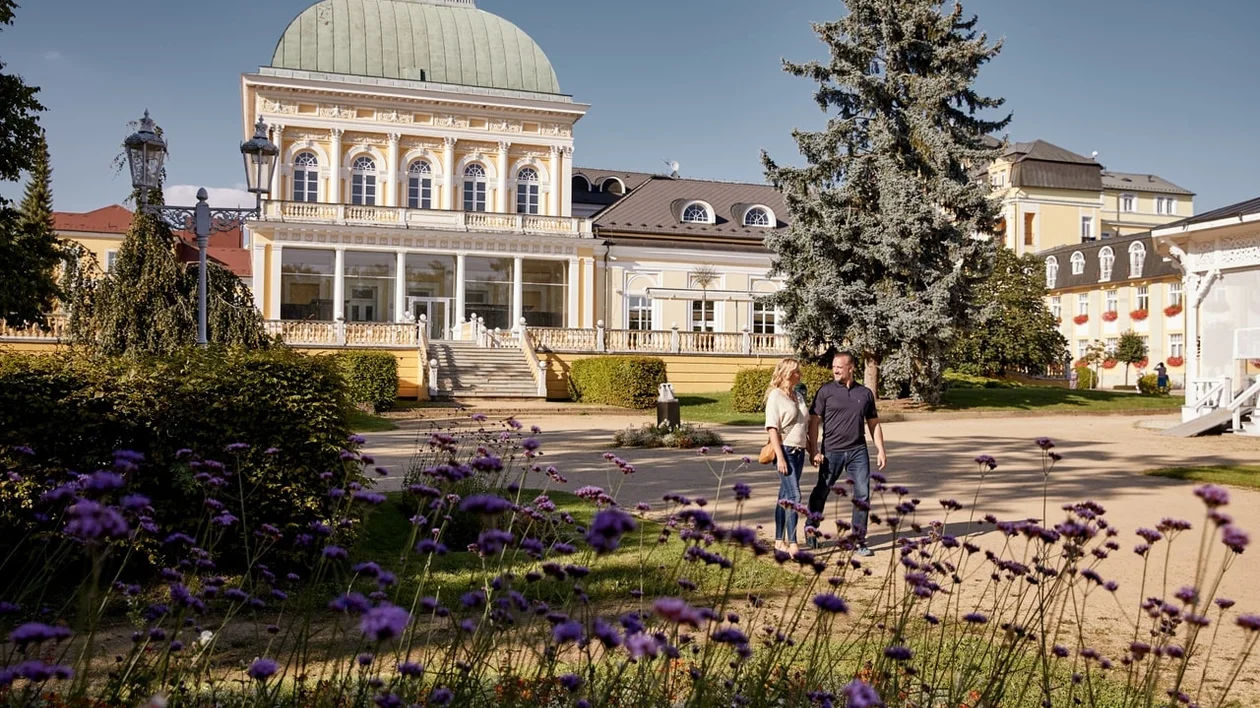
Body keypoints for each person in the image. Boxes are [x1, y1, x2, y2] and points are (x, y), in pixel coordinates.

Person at [806, 351, 887, 556]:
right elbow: (814, 421)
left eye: (839, 367)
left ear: (850, 368)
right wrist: (814, 449)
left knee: (862, 493)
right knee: (822, 490)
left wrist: (880, 449)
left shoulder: (865, 394)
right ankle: (811, 528)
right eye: (833, 366)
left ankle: (859, 540)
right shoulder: (826, 391)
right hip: (831, 451)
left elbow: (873, 423)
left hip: (858, 451)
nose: (835, 370)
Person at [764, 357, 809, 554]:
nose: (799, 374)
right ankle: (793, 543)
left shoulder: (798, 396)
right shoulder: (776, 396)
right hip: (786, 452)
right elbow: (772, 428)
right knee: (794, 495)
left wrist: (812, 449)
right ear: (786, 374)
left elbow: (804, 424)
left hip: (799, 452)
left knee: (784, 496)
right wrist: (780, 457)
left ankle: (778, 541)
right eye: (796, 371)